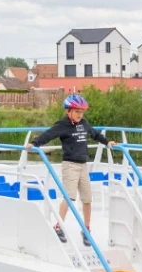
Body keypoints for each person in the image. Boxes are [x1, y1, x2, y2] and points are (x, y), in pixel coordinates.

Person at [32, 94, 109, 244]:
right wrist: (35, 143)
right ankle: (58, 226)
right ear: (69, 111)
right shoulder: (63, 125)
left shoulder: (84, 123)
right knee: (69, 197)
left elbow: (95, 134)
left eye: (82, 112)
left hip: (83, 166)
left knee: (87, 199)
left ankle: (86, 229)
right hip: (70, 165)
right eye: (77, 112)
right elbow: (48, 134)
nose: (80, 115)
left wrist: (108, 142)